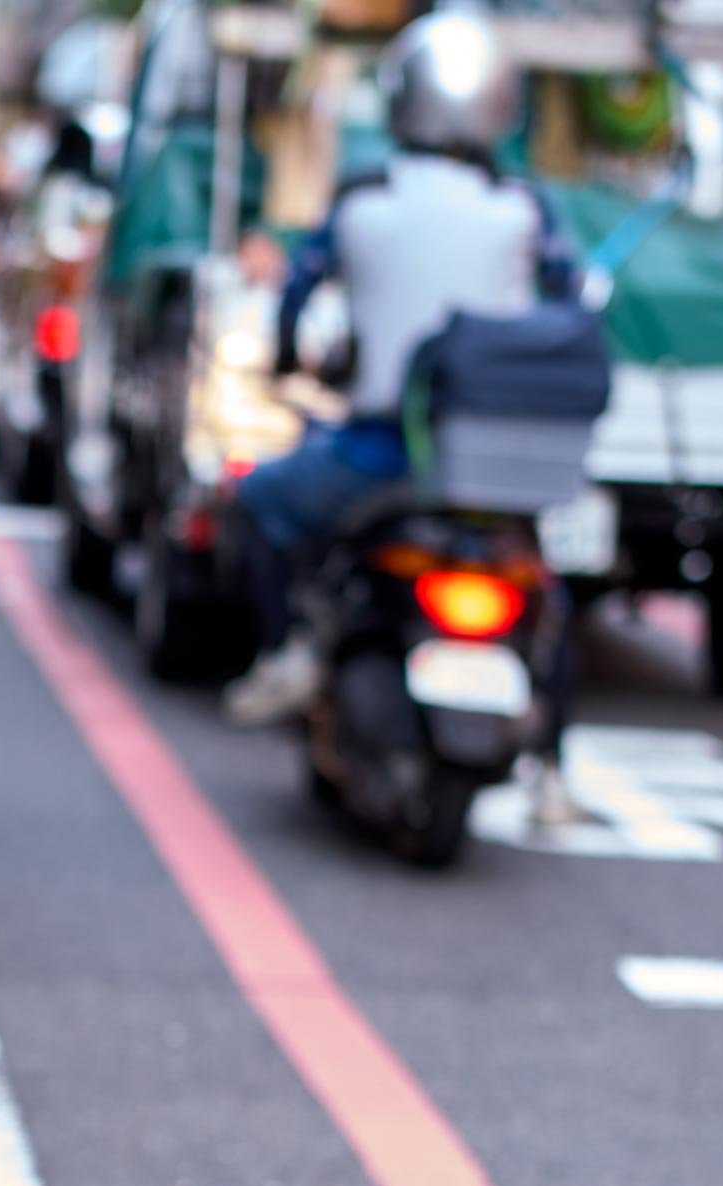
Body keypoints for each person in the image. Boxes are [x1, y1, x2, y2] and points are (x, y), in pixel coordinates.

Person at [221, 13, 579, 730]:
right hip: (497, 471)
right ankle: (553, 767)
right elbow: (568, 306)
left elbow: (298, 296)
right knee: (552, 594)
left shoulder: (363, 201)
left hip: (376, 456)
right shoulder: (525, 210)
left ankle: (285, 651)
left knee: (255, 503)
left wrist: (290, 358)